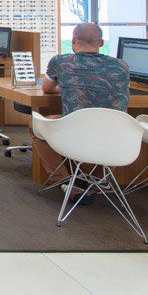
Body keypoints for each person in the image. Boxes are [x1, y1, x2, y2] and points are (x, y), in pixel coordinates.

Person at [34, 22, 130, 187]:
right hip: (115, 137)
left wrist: (68, 86)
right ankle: (98, 182)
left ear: (73, 40)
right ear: (101, 43)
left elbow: (47, 88)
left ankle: (65, 183)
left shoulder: (61, 61)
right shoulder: (122, 65)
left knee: (36, 125)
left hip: (75, 134)